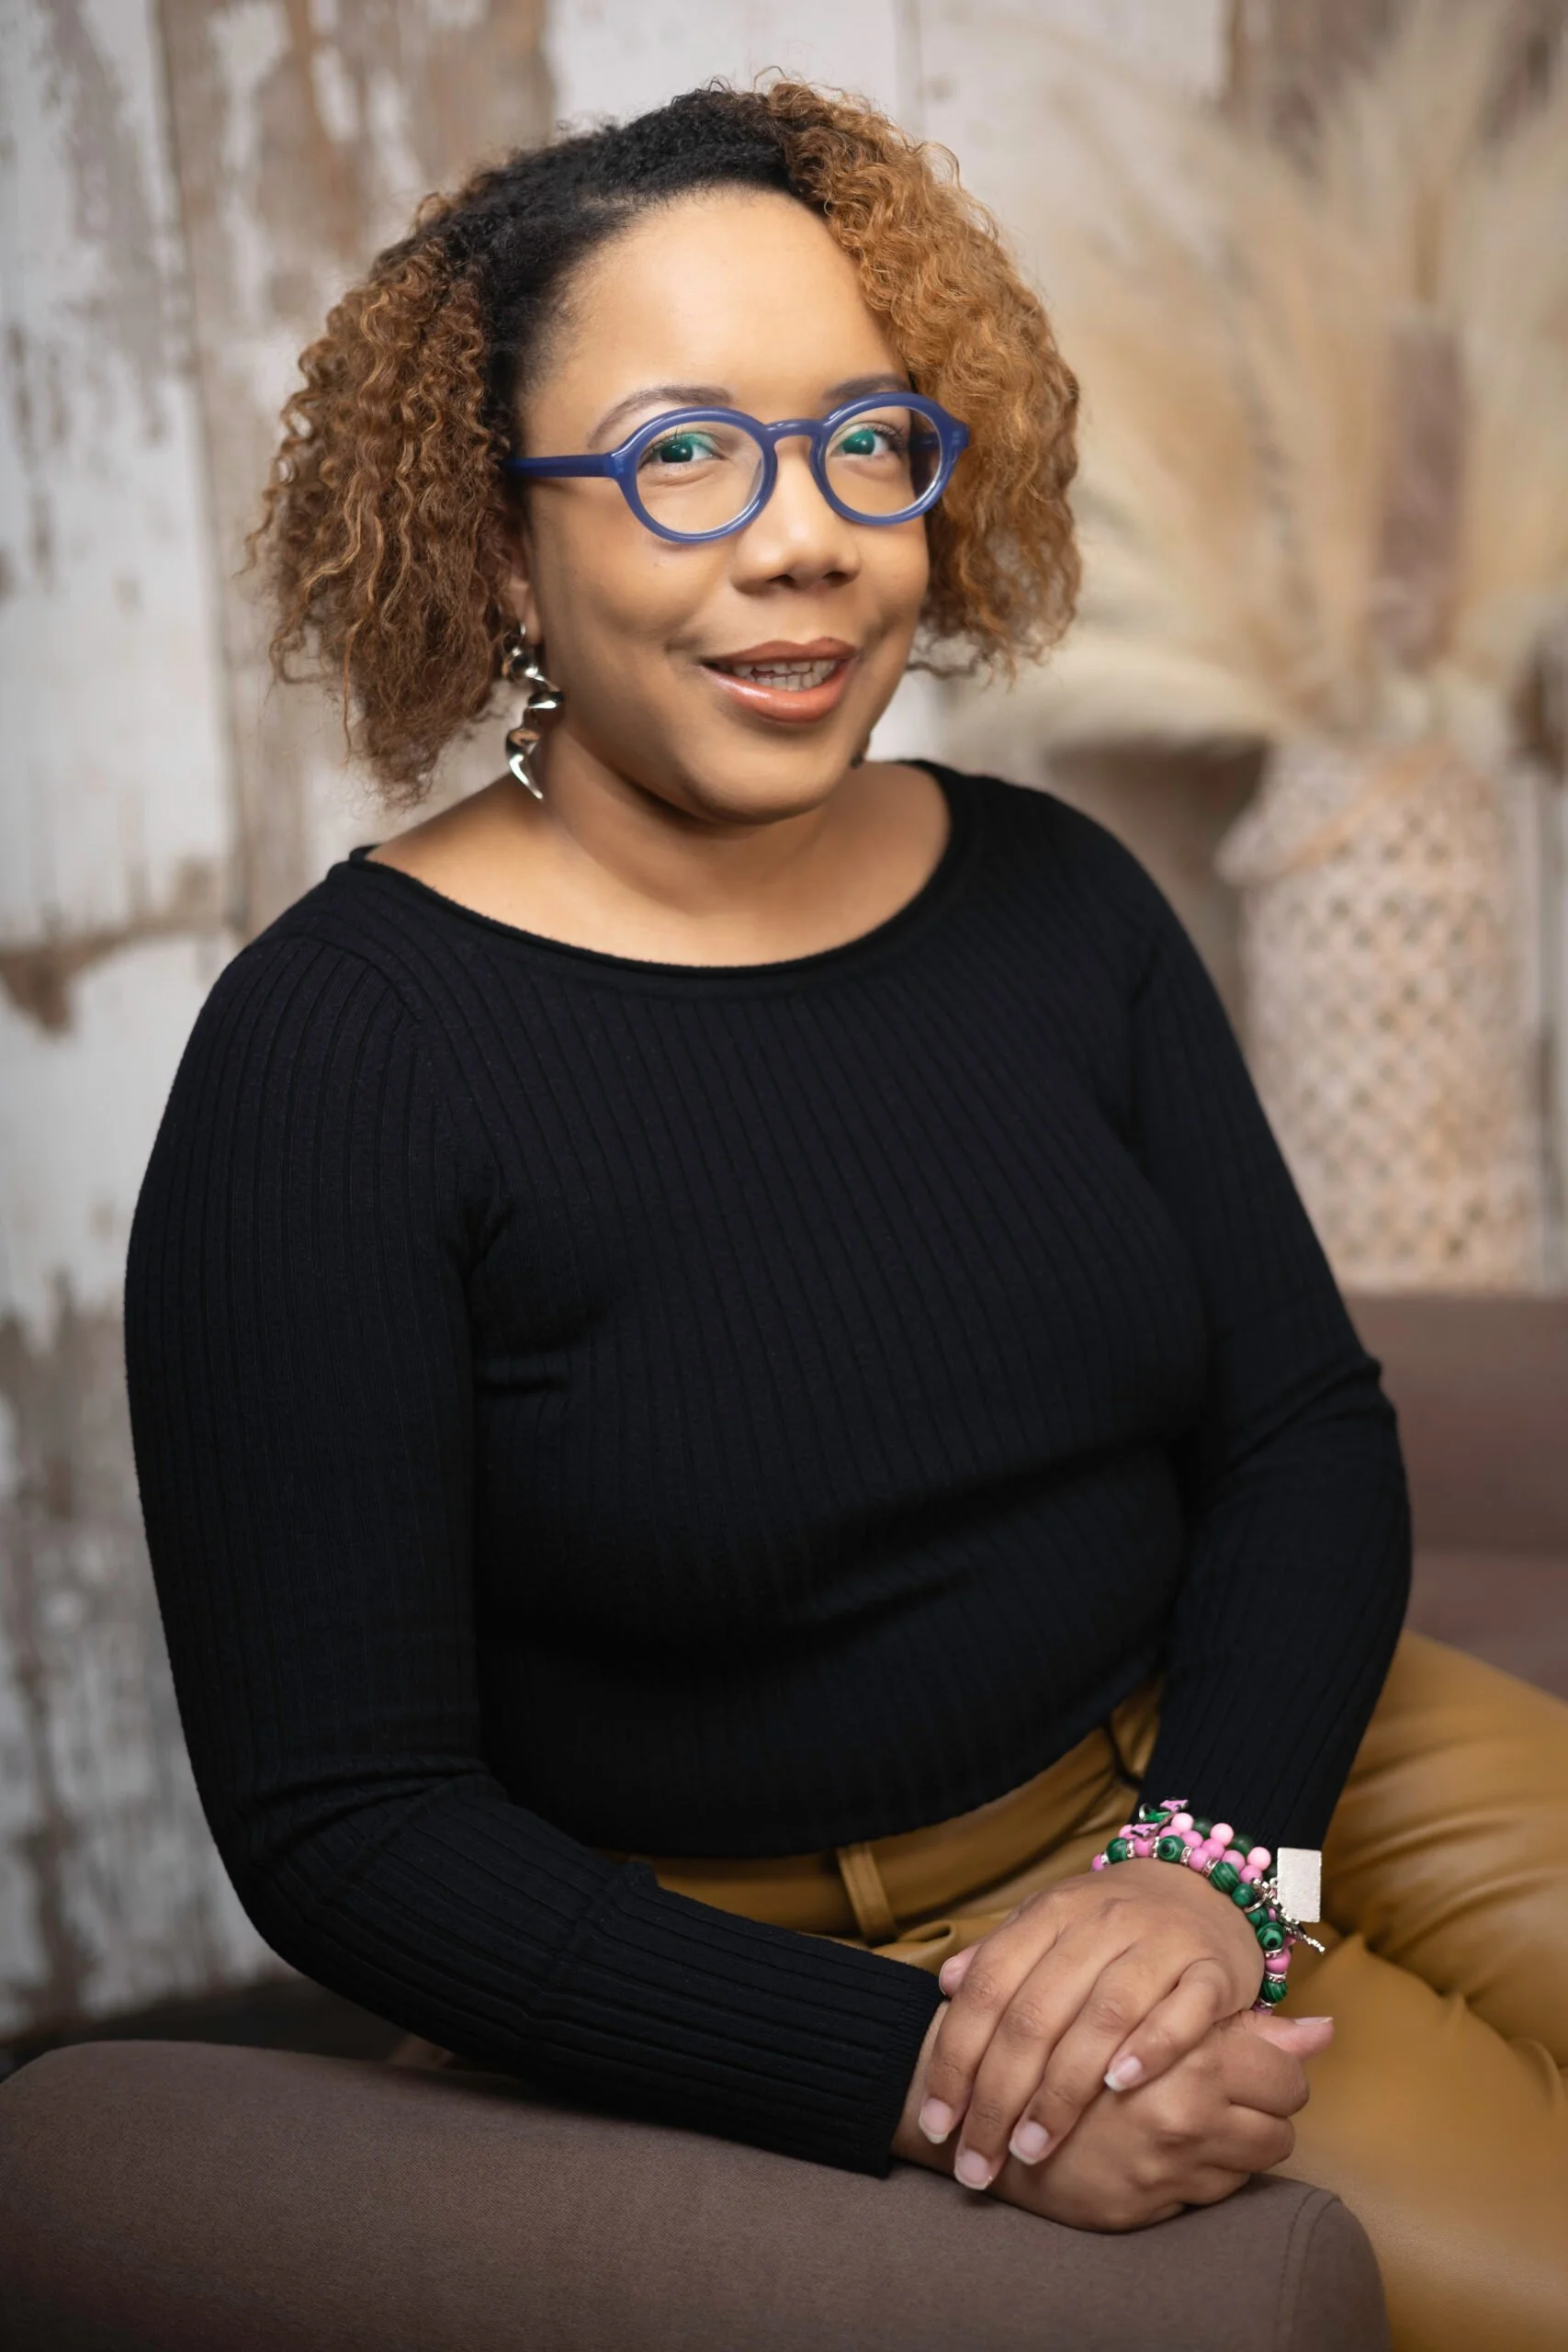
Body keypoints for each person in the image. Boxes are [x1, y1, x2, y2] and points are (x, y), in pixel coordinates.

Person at [6, 79, 1562, 2352]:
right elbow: (346, 1817)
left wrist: (1217, 1858)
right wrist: (926, 2075)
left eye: (863, 442)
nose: (806, 535)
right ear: (497, 546)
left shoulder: (1057, 896)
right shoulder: (332, 1058)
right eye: (678, 457)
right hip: (852, 1956)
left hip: (1276, 1748)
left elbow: (1305, 1426)